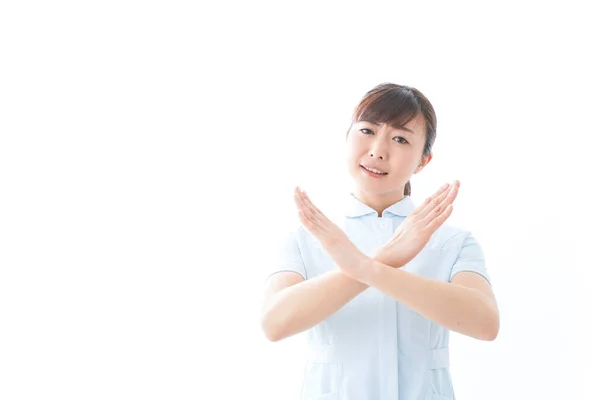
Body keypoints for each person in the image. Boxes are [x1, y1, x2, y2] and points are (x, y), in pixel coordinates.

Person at [261, 83, 499, 400]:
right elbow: (274, 324)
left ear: (422, 162)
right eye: (367, 130)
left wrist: (366, 267)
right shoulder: (306, 238)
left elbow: (485, 323)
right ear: (347, 137)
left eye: (400, 138)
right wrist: (387, 257)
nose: (378, 150)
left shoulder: (453, 242)